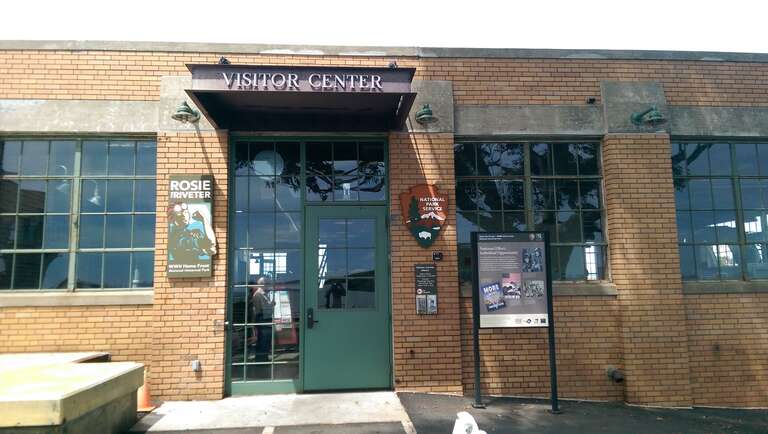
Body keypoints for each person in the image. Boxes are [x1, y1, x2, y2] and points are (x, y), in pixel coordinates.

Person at [250, 277, 274, 360]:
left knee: (266, 339)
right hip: (262, 318)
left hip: (265, 318)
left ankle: (264, 357)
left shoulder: (263, 293)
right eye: (267, 283)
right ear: (262, 284)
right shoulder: (259, 294)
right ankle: (261, 358)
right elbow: (263, 309)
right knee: (263, 339)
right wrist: (272, 304)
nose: (268, 285)